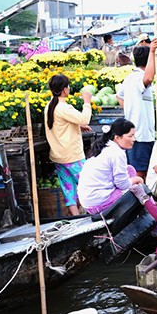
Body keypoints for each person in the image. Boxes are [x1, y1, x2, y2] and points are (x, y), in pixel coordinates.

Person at [44, 74, 93, 216]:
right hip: (72, 156)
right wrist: (87, 102)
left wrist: (78, 126)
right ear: (65, 89)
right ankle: (96, 211)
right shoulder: (63, 107)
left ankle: (76, 218)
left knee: (68, 188)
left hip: (59, 157)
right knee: (87, 184)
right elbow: (85, 119)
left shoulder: (51, 105)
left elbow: (61, 125)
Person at [78, 118, 144, 214]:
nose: (133, 139)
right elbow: (123, 185)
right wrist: (138, 180)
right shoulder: (117, 153)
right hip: (98, 203)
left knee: (130, 170)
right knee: (138, 191)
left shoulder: (105, 146)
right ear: (117, 137)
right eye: (130, 136)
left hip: (88, 200)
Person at [116, 39, 157, 181]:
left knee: (140, 170)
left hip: (138, 132)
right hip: (142, 134)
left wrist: (130, 108)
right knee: (141, 173)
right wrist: (152, 52)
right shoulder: (139, 77)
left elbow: (119, 96)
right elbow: (148, 78)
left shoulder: (129, 78)